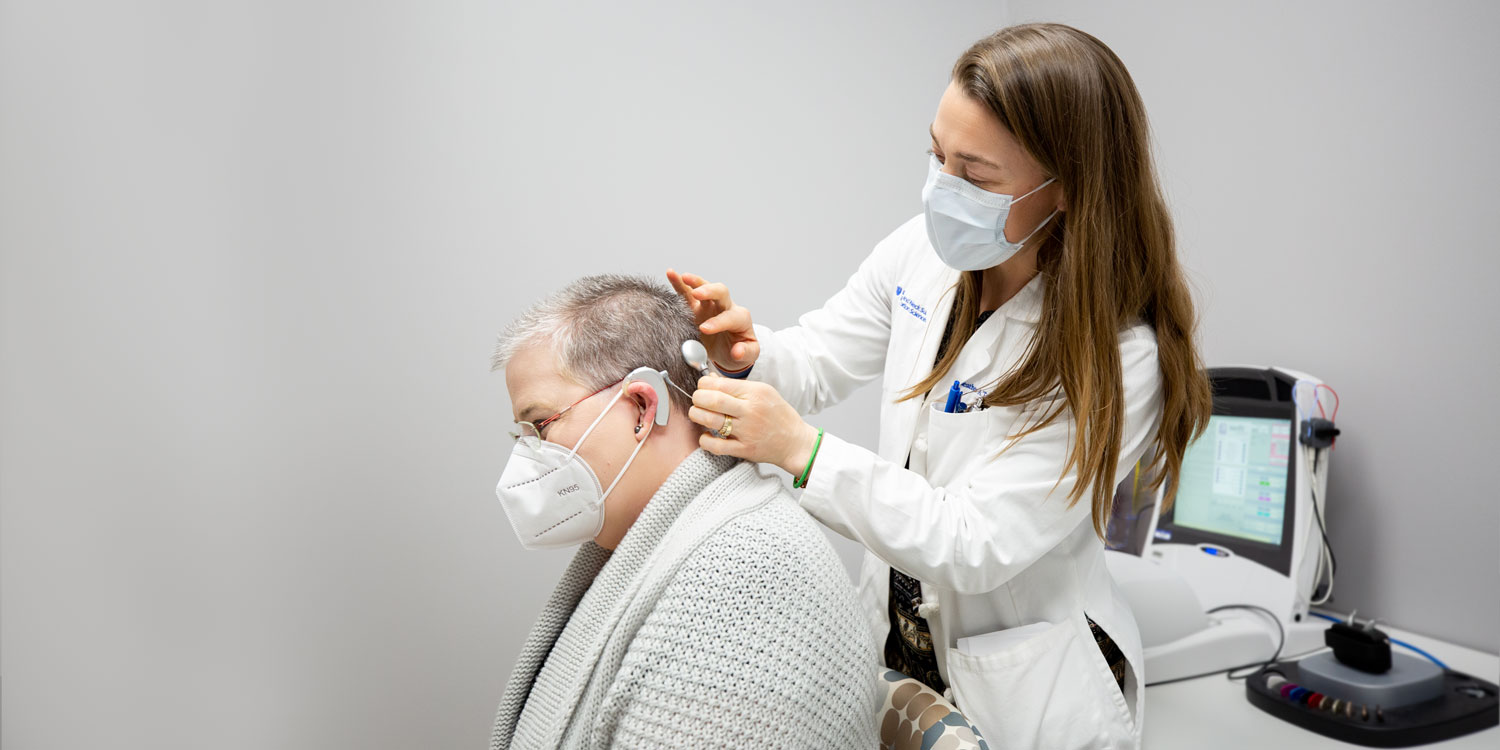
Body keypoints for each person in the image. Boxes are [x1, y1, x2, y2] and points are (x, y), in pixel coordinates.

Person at [670, 23, 1212, 750]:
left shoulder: (1118, 356)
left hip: (1030, 696)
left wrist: (802, 452)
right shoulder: (921, 252)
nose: (941, 191)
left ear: (1069, 187)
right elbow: (822, 355)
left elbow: (974, 540)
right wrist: (747, 355)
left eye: (977, 175)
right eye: (936, 155)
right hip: (903, 648)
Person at [487, 274, 878, 750]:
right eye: (521, 434)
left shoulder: (744, 585)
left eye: (541, 425)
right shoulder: (676, 539)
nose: (527, 459)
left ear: (641, 407)